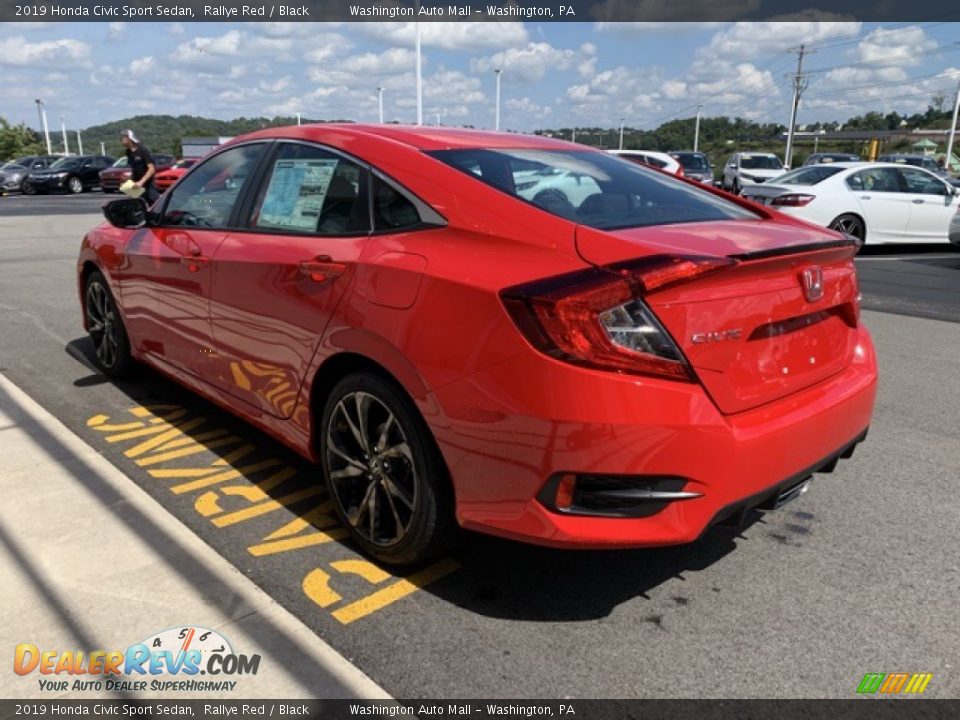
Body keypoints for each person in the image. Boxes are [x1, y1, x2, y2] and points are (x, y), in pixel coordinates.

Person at [119, 129, 159, 204]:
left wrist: (141, 182)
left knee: (154, 205)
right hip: (136, 185)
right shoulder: (128, 152)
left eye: (122, 137)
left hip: (148, 185)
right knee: (137, 205)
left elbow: (151, 169)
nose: (120, 140)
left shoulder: (142, 150)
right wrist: (129, 179)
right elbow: (134, 168)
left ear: (129, 138)